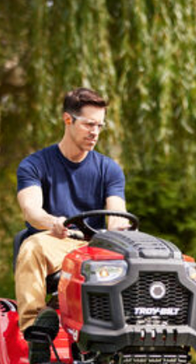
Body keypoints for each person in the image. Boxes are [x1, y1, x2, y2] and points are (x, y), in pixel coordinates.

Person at [15, 87, 130, 332]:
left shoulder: (109, 169)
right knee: (32, 247)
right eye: (89, 124)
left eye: (100, 126)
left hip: (97, 247)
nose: (95, 132)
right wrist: (52, 222)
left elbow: (117, 216)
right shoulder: (34, 165)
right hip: (56, 241)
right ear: (68, 120)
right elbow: (31, 211)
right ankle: (35, 328)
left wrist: (122, 230)